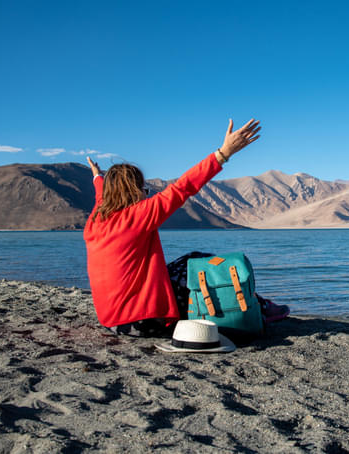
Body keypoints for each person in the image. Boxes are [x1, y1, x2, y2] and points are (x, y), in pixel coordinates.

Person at [83, 119, 261, 336]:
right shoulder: (138, 216)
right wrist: (224, 153)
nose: (145, 195)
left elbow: (101, 195)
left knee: (186, 262)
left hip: (111, 321)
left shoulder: (96, 220)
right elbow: (182, 188)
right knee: (199, 265)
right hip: (141, 322)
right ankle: (253, 304)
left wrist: (97, 176)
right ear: (133, 191)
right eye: (143, 190)